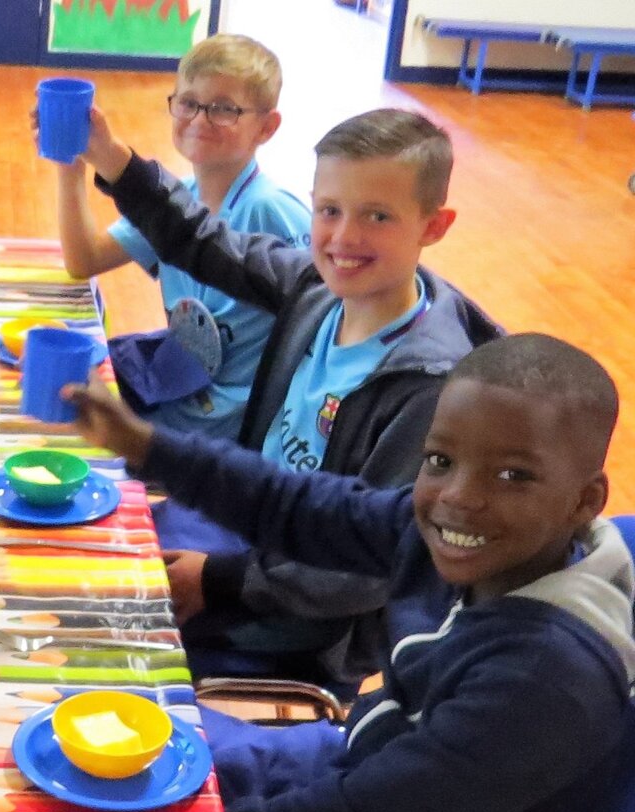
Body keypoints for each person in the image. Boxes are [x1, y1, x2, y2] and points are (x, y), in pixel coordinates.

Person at [64, 333, 635, 812]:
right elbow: (304, 507)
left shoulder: (543, 680)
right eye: (439, 460)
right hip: (361, 762)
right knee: (100, 753)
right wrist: (147, 445)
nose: (459, 496)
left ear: (584, 501)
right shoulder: (472, 539)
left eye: (514, 475)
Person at [72, 105, 502, 689]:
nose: (345, 237)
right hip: (238, 529)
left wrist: (218, 580)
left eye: (377, 216)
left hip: (298, 617)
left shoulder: (430, 387)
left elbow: (365, 567)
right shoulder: (317, 289)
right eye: (330, 211)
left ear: (434, 225)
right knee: (79, 547)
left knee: (88, 633)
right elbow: (201, 240)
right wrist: (110, 157)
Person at [52, 33, 310, 442]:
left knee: (69, 425)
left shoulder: (272, 210)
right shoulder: (175, 200)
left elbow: (322, 313)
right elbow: (84, 260)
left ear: (267, 127)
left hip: (223, 430)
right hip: (180, 394)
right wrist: (71, 167)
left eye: (224, 109)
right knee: (57, 387)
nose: (200, 119)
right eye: (189, 103)